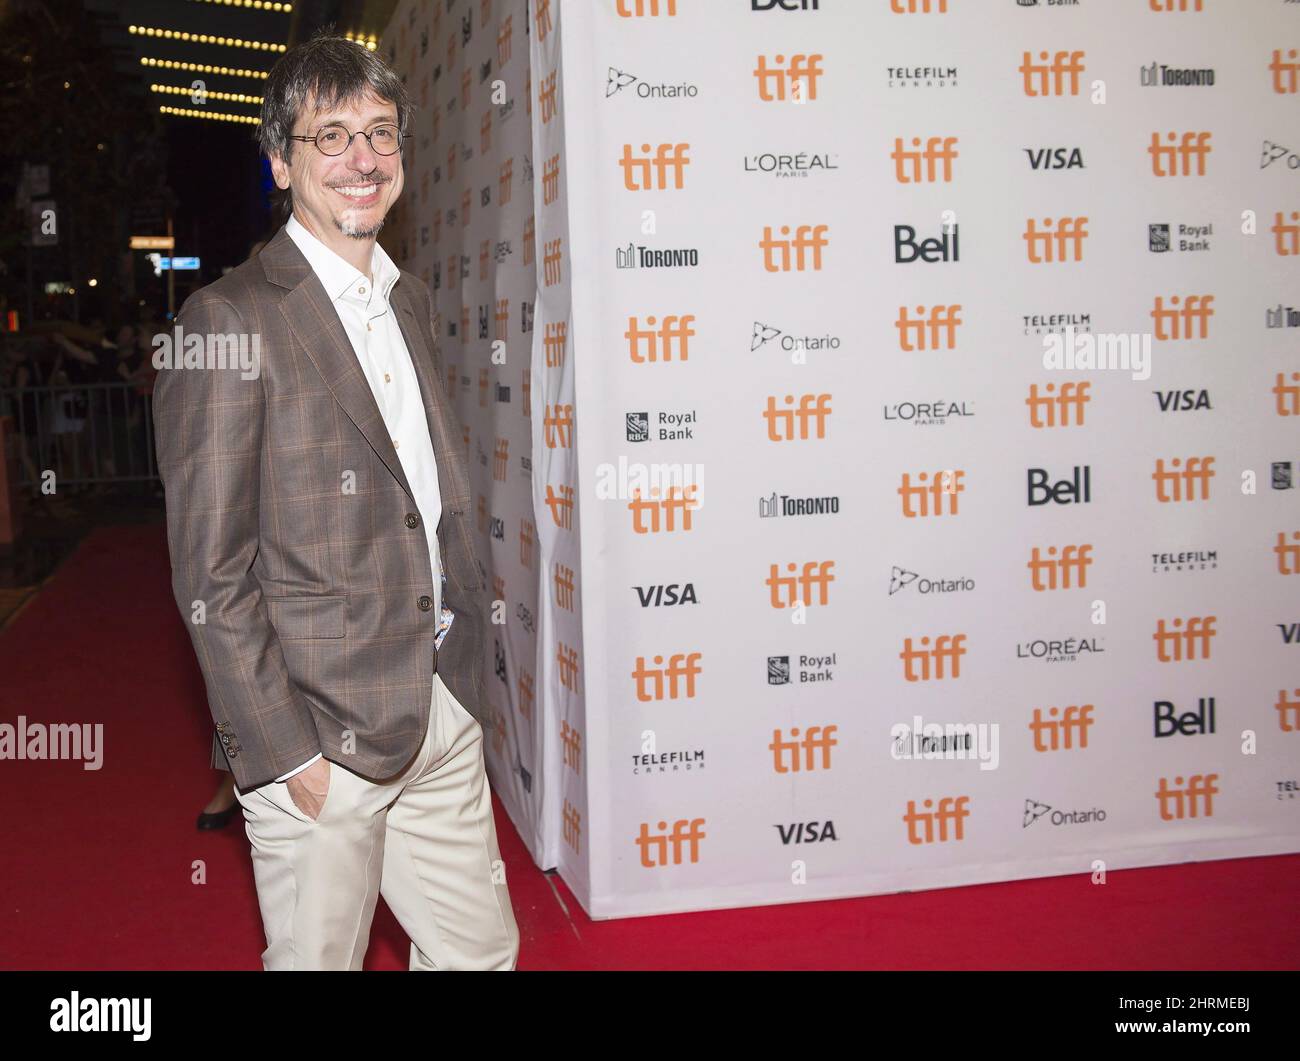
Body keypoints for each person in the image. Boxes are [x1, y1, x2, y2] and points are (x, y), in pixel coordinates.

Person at [152, 30, 519, 971]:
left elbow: (421, 502)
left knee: (480, 957)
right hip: (319, 738)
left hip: (438, 707)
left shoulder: (413, 304)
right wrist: (282, 753)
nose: (364, 159)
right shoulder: (229, 320)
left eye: (381, 133)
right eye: (332, 137)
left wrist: (463, 700)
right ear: (281, 160)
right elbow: (211, 571)